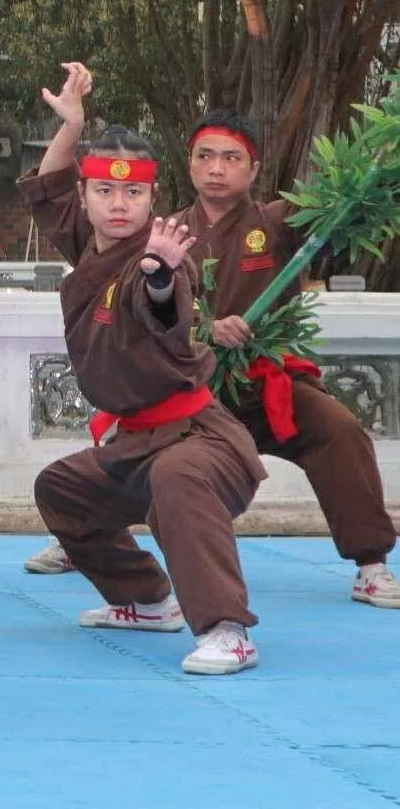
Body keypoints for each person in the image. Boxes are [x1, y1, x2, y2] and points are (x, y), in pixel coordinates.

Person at [24, 106, 397, 606]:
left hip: (264, 383)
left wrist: (377, 162)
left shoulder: (282, 221)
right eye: (205, 156)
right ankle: (84, 533)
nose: (217, 168)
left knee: (338, 429)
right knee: (117, 457)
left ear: (254, 168)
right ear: (189, 165)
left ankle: (371, 564)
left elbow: (342, 210)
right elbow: (132, 281)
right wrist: (205, 328)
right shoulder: (153, 234)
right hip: (186, 387)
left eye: (230, 158)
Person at [24, 62, 266, 675]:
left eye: (134, 193)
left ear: (154, 197)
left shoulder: (161, 256)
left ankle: (228, 629)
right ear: (87, 196)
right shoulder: (89, 242)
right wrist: (72, 126)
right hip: (133, 442)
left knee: (179, 479)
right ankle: (146, 598)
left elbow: (164, 308)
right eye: (104, 190)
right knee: (61, 488)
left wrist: (159, 274)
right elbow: (49, 187)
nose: (119, 204)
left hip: (196, 438)